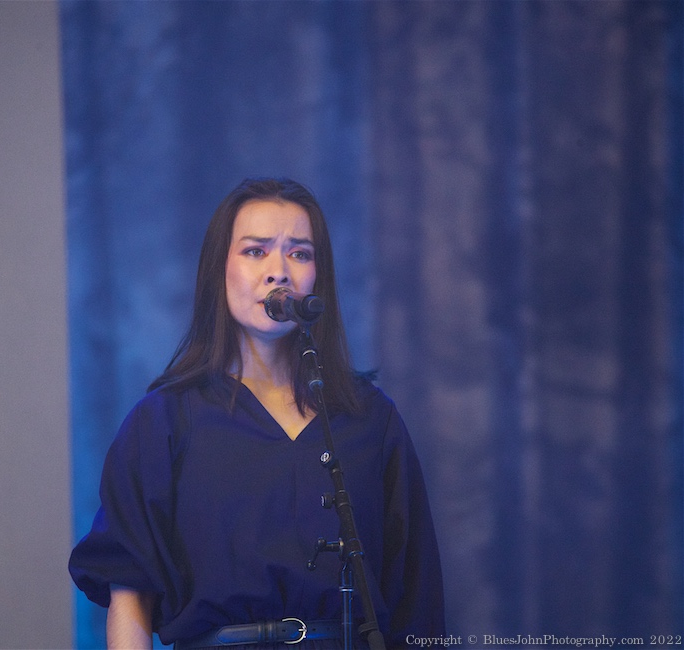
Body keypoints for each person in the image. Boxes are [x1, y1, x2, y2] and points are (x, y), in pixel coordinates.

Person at [69, 177, 445, 649]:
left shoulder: (369, 418)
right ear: (219, 270)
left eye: (299, 253)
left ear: (318, 278)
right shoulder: (163, 421)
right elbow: (131, 598)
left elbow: (416, 595)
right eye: (255, 251)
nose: (278, 272)